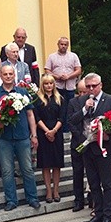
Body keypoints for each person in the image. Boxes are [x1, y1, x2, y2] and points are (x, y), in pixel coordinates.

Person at [0, 65, 40, 211]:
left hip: (22, 136)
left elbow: (30, 114)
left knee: (27, 169)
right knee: (7, 171)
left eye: (10, 74)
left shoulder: (22, 91)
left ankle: (32, 198)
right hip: (3, 138)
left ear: (14, 75)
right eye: (5, 74)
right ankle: (11, 200)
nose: (8, 76)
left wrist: (34, 135)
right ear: (0, 76)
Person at [69, 73, 111, 222]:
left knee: (107, 183)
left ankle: (108, 216)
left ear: (101, 85)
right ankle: (97, 213)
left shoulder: (110, 100)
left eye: (94, 86)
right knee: (93, 183)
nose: (91, 89)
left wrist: (108, 135)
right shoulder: (83, 101)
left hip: (103, 148)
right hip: (87, 147)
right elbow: (72, 120)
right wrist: (85, 109)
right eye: (88, 86)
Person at [34, 74, 66, 203]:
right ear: (43, 84)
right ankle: (48, 191)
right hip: (43, 132)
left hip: (56, 132)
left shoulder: (60, 99)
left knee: (56, 164)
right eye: (46, 83)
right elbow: (36, 118)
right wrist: (47, 131)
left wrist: (54, 130)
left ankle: (56, 190)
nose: (49, 86)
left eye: (51, 83)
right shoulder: (36, 99)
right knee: (46, 164)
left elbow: (62, 117)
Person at [45, 37, 82, 130]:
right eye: (61, 44)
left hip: (70, 87)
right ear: (58, 44)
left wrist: (69, 76)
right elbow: (47, 70)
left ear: (68, 45)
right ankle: (59, 129)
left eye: (65, 44)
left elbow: (78, 70)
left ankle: (69, 129)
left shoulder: (73, 56)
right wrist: (56, 77)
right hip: (57, 87)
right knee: (58, 108)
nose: (63, 46)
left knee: (70, 108)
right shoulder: (52, 57)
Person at [67, 79, 88, 212]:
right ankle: (78, 200)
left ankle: (93, 198)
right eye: (79, 91)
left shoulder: (93, 103)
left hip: (92, 143)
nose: (81, 94)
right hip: (77, 143)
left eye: (84, 91)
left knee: (93, 173)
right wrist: (81, 138)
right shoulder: (72, 102)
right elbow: (70, 121)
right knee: (77, 172)